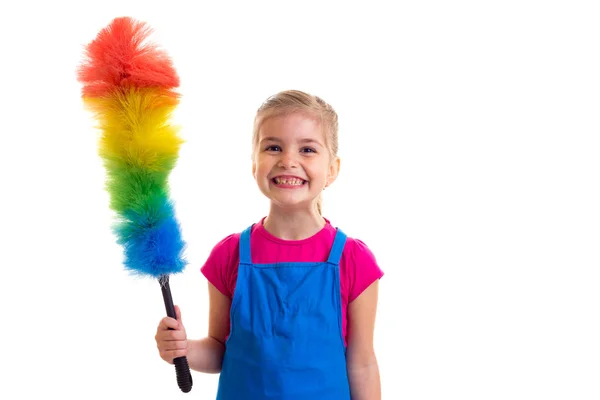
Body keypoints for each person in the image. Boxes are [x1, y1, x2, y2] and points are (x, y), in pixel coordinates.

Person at [155, 89, 384, 399]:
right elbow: (219, 351)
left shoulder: (354, 260)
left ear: (332, 169)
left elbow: (362, 365)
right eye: (273, 147)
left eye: (307, 150)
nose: (288, 161)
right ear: (254, 164)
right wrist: (184, 349)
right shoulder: (229, 255)